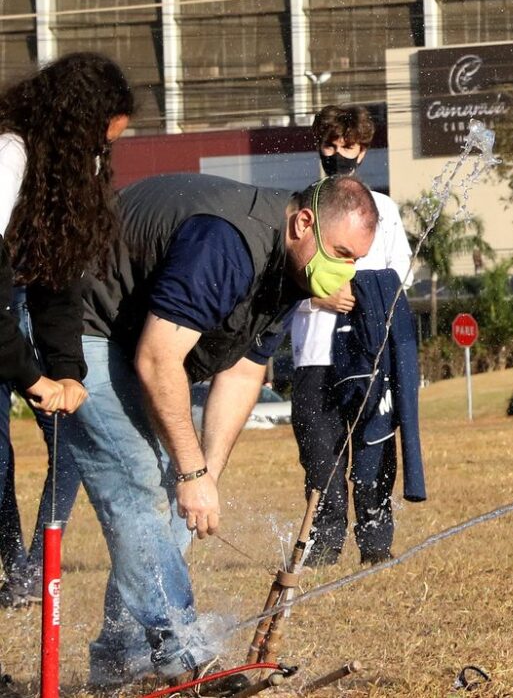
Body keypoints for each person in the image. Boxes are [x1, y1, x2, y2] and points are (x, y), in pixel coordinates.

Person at [61, 172, 378, 688]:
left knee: (171, 495)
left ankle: (118, 658)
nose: (346, 274)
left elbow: (244, 368)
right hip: (82, 326)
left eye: (356, 261)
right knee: (139, 482)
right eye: (342, 253)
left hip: (135, 338)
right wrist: (190, 471)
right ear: (304, 223)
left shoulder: (290, 268)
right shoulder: (228, 243)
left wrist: (206, 472)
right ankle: (183, 657)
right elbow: (159, 358)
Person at [0, 53, 135, 607]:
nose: (102, 156)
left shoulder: (62, 180)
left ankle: (17, 569)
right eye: (98, 143)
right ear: (69, 127)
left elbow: (57, 280)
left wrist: (66, 371)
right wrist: (30, 377)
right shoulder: (9, 154)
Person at [290, 105, 424, 566]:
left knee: (374, 447)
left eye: (348, 146)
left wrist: (364, 293)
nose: (338, 153)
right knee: (320, 456)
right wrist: (316, 295)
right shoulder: (300, 205)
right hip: (312, 353)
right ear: (318, 147)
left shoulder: (382, 209)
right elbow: (279, 276)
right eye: (330, 144)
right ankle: (323, 548)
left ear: (363, 151)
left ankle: (375, 544)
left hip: (369, 353)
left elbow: (400, 273)